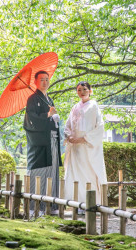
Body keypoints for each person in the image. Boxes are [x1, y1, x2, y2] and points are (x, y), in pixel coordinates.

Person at [23, 70, 62, 214]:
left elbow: (51, 118)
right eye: (42, 80)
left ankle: (51, 205)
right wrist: (47, 114)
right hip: (39, 143)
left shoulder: (48, 99)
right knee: (38, 170)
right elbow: (31, 119)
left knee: (52, 170)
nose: (45, 82)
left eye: (47, 79)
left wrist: (54, 117)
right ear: (35, 82)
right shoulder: (32, 98)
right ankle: (35, 207)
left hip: (51, 139)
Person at [64, 81, 107, 206]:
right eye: (79, 90)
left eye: (84, 89)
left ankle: (90, 202)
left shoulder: (93, 105)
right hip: (76, 148)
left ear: (90, 90)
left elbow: (99, 127)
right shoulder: (75, 107)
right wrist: (69, 136)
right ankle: (76, 202)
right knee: (75, 174)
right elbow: (67, 125)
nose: (82, 92)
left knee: (89, 173)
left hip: (88, 147)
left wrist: (84, 139)